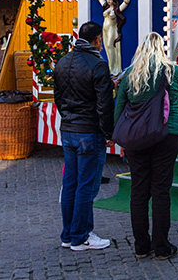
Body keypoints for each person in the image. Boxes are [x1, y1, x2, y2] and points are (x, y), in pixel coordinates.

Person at [114, 32, 178, 261]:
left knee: (138, 191)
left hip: (136, 138)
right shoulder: (171, 71)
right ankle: (161, 247)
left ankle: (141, 246)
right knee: (160, 190)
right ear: (161, 50)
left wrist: (117, 137)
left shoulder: (130, 74)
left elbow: (119, 107)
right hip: (167, 135)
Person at [53, 21, 114, 251]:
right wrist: (109, 133)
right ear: (98, 39)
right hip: (88, 131)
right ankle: (80, 235)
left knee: (70, 183)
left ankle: (69, 234)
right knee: (86, 186)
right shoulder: (97, 65)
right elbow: (104, 105)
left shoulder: (63, 62)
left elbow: (59, 97)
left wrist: (69, 116)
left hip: (69, 129)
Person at [97, 0, 130, 75]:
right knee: (106, 47)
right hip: (105, 30)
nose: (108, 1)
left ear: (114, 0)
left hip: (112, 30)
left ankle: (112, 68)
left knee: (110, 46)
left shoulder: (117, 9)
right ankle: (110, 66)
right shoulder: (105, 7)